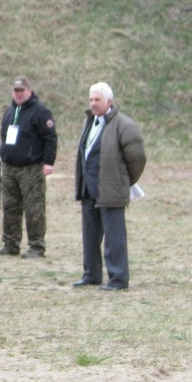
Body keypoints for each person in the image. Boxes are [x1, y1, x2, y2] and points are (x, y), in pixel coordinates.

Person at [73, 82, 146, 291]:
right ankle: (91, 275)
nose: (93, 104)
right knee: (90, 235)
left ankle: (118, 279)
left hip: (111, 189)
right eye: (91, 100)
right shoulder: (89, 121)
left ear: (109, 101)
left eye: (97, 100)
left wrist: (125, 180)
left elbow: (138, 158)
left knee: (114, 237)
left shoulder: (124, 125)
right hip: (89, 188)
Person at [0, 77, 58, 259]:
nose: (18, 93)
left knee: (34, 208)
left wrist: (48, 162)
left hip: (30, 168)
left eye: (22, 90)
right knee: (10, 206)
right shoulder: (10, 111)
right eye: (16, 90)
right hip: (10, 167)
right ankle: (10, 244)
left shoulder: (40, 111)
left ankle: (36, 246)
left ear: (29, 91)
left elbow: (50, 137)